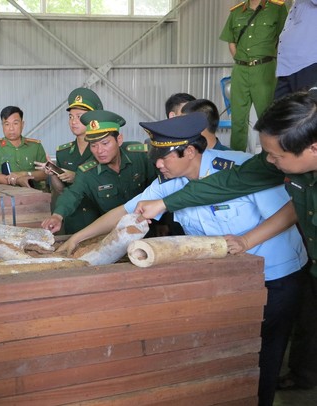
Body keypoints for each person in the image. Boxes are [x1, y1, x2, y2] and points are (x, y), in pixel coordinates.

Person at [63, 112, 307, 406]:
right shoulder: (172, 180)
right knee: (232, 351)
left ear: (189, 151)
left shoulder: (239, 168)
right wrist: (77, 237)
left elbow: (291, 211)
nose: (158, 164)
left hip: (274, 276)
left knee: (263, 354)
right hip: (228, 280)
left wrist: (246, 241)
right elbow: (127, 211)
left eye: (164, 157)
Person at [134, 91, 317, 393]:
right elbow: (228, 184)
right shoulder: (278, 164)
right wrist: (164, 204)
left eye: (277, 155)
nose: (269, 161)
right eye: (266, 152)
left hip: (282, 275)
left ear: (312, 147)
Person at [41, 110, 156, 234]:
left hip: (149, 229)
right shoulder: (88, 171)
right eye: (93, 145)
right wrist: (57, 216)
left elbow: (160, 186)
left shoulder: (139, 156)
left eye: (105, 143)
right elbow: (72, 194)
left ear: (119, 139)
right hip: (114, 235)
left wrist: (164, 223)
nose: (99, 151)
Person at [221, 0, 287, 151]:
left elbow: (284, 38)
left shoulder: (277, 8)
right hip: (240, 70)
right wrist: (241, 59)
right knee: (238, 119)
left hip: (265, 70)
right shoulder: (236, 12)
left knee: (267, 119)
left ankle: (268, 159)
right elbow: (231, 41)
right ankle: (238, 158)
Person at [35, 87, 103, 234]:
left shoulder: (102, 151)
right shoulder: (63, 152)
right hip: (73, 219)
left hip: (98, 220)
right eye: (71, 117)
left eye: (79, 117)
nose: (73, 122)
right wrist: (53, 173)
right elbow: (60, 190)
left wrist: (76, 177)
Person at [0, 106, 47, 189]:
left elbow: (44, 173)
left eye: (15, 123)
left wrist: (25, 174)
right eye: (7, 124)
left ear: (22, 124)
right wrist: (18, 180)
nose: (11, 128)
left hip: (34, 192)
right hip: (6, 194)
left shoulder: (35, 146)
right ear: (2, 126)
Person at [274, 0, 317, 99]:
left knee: (306, 110)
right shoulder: (298, 4)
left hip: (307, 65)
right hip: (286, 68)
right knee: (281, 112)